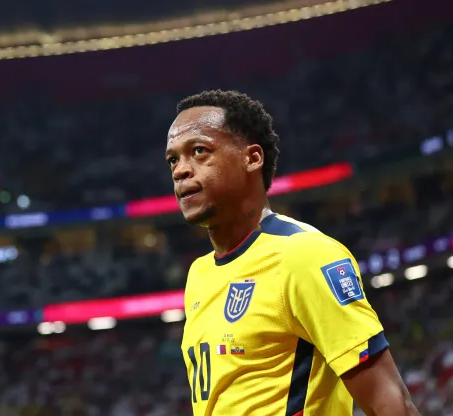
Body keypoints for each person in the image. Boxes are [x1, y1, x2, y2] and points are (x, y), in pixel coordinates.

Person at [165, 90, 419, 416]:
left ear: (252, 158)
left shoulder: (304, 255)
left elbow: (391, 403)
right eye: (173, 159)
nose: (181, 170)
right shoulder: (198, 275)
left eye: (199, 151)